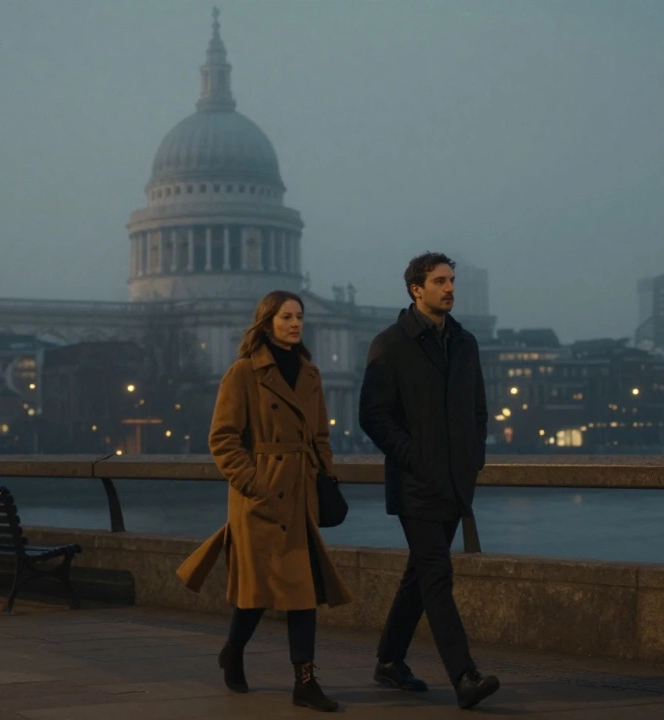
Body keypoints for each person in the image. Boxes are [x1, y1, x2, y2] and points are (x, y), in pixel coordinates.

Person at [177, 290, 352, 713]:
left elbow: (320, 436)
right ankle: (234, 651)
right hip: (260, 501)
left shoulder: (310, 374)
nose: (295, 323)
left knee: (302, 591)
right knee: (256, 595)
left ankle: (304, 682)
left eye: (300, 317)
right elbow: (222, 439)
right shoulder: (242, 373)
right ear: (267, 321)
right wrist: (254, 483)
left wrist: (323, 474)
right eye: (286, 316)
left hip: (298, 497)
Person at [358, 252, 500, 709]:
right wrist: (413, 458)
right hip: (416, 484)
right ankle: (464, 676)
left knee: (419, 575)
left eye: (452, 279)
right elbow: (373, 416)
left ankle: (389, 660)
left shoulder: (465, 343)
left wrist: (472, 457)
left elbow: (478, 410)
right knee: (437, 575)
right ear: (416, 289)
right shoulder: (390, 344)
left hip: (456, 481)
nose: (450, 287)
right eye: (440, 281)